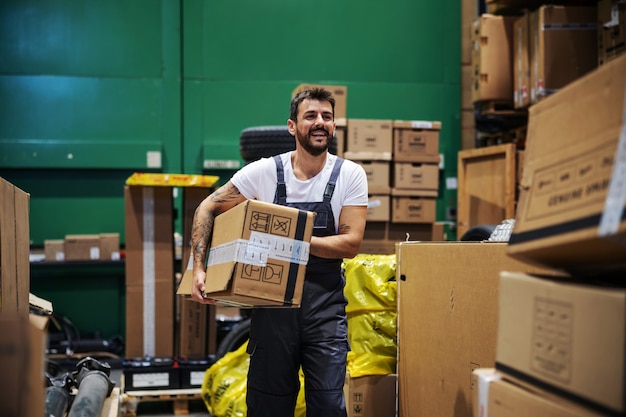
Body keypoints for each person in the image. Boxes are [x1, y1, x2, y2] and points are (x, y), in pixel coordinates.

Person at [190, 87, 368, 417]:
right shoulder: (264, 172)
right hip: (271, 312)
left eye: (327, 117)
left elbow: (351, 243)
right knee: (268, 407)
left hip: (325, 311)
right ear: (291, 126)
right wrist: (199, 268)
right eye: (311, 116)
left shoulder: (350, 174)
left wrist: (291, 240)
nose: (320, 123)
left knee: (329, 406)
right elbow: (206, 208)